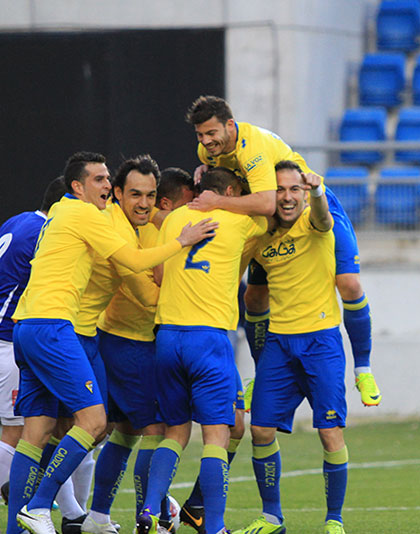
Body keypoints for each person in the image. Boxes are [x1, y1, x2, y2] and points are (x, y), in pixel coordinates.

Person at [5, 151, 218, 534]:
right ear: (81, 187)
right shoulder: (96, 217)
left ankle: (35, 520)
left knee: (44, 430)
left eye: (150, 195)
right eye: (102, 181)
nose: (143, 203)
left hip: (42, 326)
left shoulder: (63, 210)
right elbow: (135, 266)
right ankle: (42, 506)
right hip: (65, 330)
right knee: (104, 423)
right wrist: (183, 241)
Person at [185, 95, 381, 407]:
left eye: (212, 133)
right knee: (252, 297)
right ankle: (261, 374)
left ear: (230, 126)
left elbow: (265, 201)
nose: (207, 141)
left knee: (349, 283)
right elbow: (253, 197)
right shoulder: (208, 151)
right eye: (201, 135)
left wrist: (217, 201)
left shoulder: (254, 148)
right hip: (271, 221)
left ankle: (363, 369)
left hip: (307, 206)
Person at [135, 167, 268, 534]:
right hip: (208, 339)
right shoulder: (239, 222)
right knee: (216, 435)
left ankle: (149, 509)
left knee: (174, 432)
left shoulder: (176, 217)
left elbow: (160, 276)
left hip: (167, 337)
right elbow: (271, 207)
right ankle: (215, 526)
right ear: (227, 191)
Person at [235, 160, 350, 534]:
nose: (286, 197)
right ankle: (272, 517)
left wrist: (316, 192)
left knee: (330, 432)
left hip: (322, 342)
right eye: (280, 189)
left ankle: (334, 520)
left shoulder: (316, 221)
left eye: (294, 190)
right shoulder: (261, 238)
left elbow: (322, 216)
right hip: (279, 345)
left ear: (303, 194)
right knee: (261, 430)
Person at [0, 176, 65, 534]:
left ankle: (72, 513)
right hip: (4, 341)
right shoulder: (44, 233)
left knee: (46, 427)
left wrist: (0, 281)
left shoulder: (19, 220)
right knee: (19, 434)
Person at [73, 155, 170, 534]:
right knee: (155, 430)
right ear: (116, 194)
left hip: (110, 337)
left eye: (150, 195)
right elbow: (147, 295)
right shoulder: (113, 226)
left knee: (118, 431)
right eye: (134, 195)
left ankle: (96, 515)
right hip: (129, 344)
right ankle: (151, 518)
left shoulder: (148, 227)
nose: (143, 203)